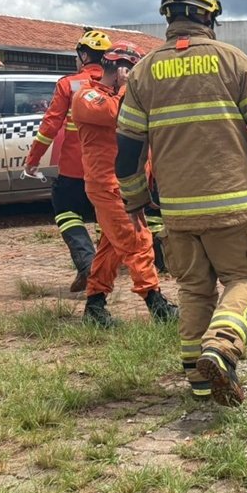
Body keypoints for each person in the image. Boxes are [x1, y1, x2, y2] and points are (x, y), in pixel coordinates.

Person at [116, 0, 247, 406]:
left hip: (177, 210)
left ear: (168, 18)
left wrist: (135, 198)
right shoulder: (233, 61)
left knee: (195, 290)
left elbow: (126, 150)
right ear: (209, 17)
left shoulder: (142, 72)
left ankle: (201, 387)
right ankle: (223, 344)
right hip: (235, 205)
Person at [70, 42, 178, 327]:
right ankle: (157, 305)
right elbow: (116, 114)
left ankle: (95, 307)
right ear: (120, 70)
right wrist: (126, 88)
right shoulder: (87, 96)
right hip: (107, 185)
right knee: (138, 241)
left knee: (110, 248)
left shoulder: (119, 95)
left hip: (124, 184)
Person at [24, 30, 111, 291]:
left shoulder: (68, 84)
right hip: (109, 167)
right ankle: (105, 271)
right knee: (106, 216)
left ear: (83, 55)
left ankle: (87, 263)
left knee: (65, 210)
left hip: (75, 167)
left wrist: (33, 158)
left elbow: (50, 126)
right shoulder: (117, 83)